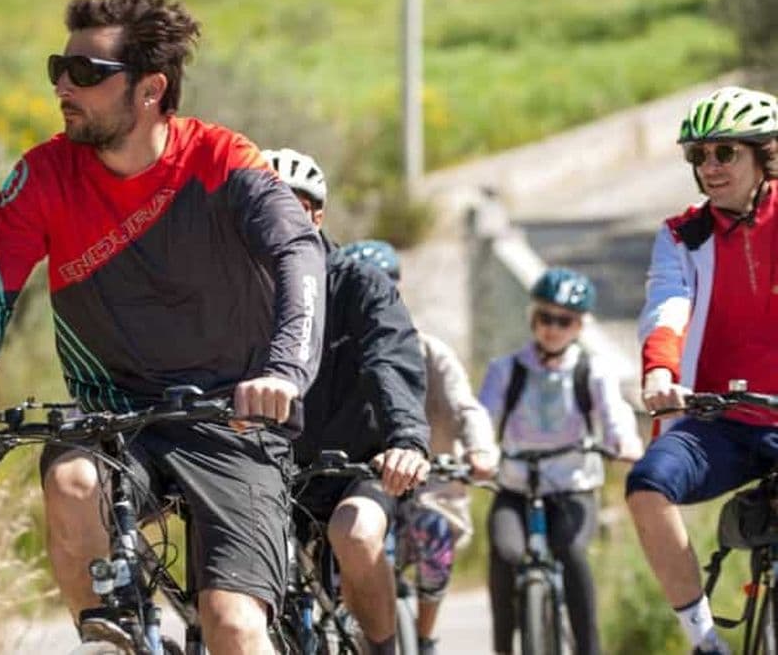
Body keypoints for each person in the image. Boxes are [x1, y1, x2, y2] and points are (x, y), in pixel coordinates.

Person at [0, 0, 326, 655]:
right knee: (72, 479)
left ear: (149, 89)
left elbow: (298, 254)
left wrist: (283, 371)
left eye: (87, 73)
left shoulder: (221, 161)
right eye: (60, 68)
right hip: (116, 418)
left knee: (231, 624)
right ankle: (111, 637)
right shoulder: (45, 175)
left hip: (232, 417)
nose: (64, 86)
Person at [626, 85, 778, 655]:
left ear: (763, 153)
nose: (709, 167)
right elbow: (667, 305)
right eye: (699, 156)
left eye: (724, 153)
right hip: (721, 418)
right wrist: (660, 374)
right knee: (646, 488)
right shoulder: (682, 235)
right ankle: (705, 642)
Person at [261, 148, 430, 655]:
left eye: (289, 205)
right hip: (265, 469)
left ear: (316, 214)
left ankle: (381, 649)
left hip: (357, 464)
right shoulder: (225, 293)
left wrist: (406, 441)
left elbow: (390, 360)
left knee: (354, 536)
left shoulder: (358, 284)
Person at [342, 239, 498, 655]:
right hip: (355, 486)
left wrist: (481, 451)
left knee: (433, 544)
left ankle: (425, 636)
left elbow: (467, 408)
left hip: (428, 489)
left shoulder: (430, 351)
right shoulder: (334, 356)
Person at [479, 267, 642, 655]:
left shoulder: (592, 370)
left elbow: (614, 413)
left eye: (563, 320)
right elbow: (482, 417)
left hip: (573, 487)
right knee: (505, 553)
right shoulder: (507, 369)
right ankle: (504, 647)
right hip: (516, 486)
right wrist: (479, 451)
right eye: (544, 317)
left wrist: (625, 443)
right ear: (532, 317)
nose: (552, 328)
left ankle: (589, 649)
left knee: (570, 552)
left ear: (580, 325)